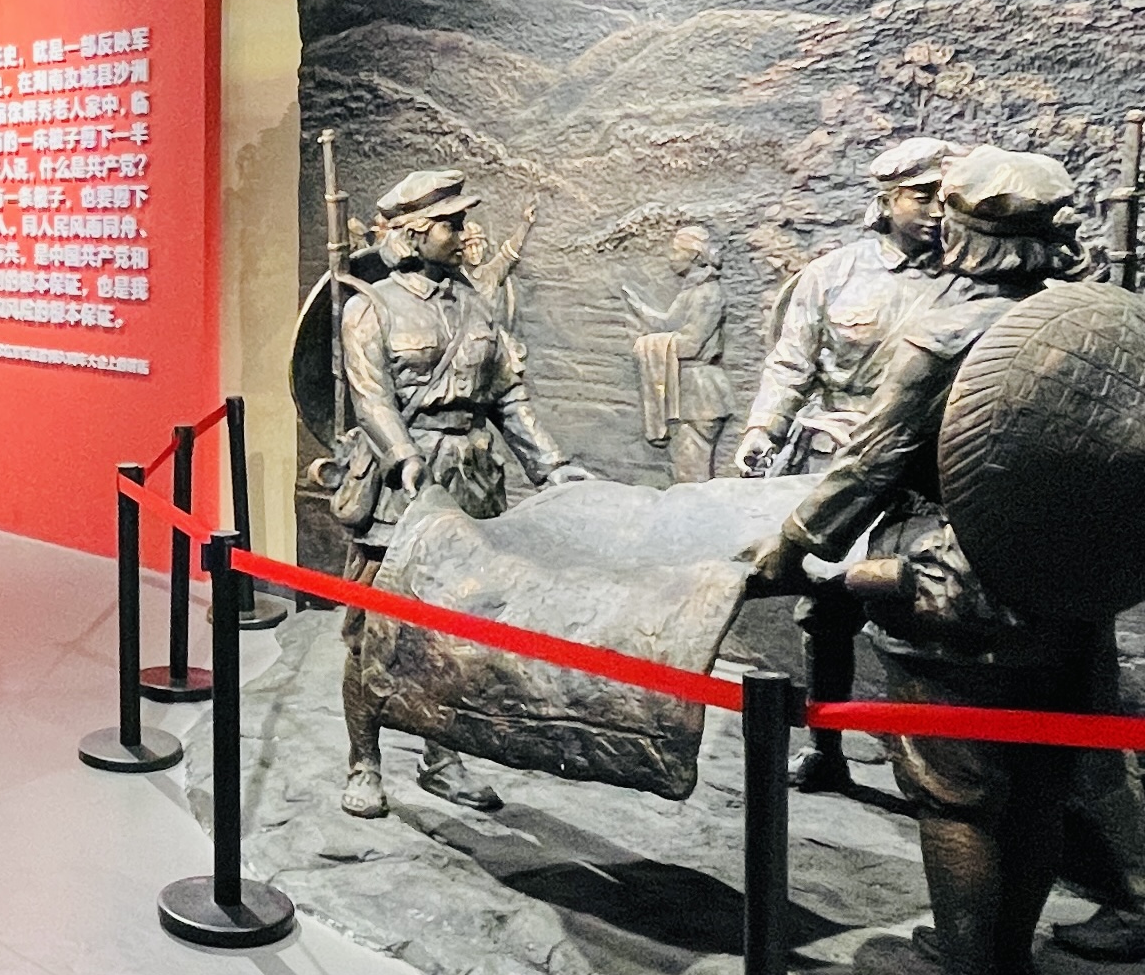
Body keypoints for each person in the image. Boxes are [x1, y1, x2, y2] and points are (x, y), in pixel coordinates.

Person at [749, 149, 1145, 975]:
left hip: (955, 593)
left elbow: (871, 463)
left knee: (957, 798)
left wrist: (789, 549)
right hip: (1069, 590)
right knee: (1038, 790)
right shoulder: (1098, 320)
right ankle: (1008, 965)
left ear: (967, 233)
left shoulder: (945, 335)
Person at [332, 168, 592, 817]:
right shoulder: (370, 308)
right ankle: (364, 762)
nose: (463, 233)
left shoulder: (477, 304)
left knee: (454, 632)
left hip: (471, 482)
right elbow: (372, 400)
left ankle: (441, 758)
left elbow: (509, 397)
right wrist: (404, 459)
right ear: (415, 234)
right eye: (451, 224)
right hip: (398, 492)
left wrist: (552, 467)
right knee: (371, 636)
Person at [735, 137, 954, 477]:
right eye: (922, 199)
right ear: (886, 203)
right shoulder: (830, 274)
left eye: (945, 200)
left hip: (931, 453)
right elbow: (791, 364)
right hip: (837, 446)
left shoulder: (969, 279)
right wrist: (763, 429)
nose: (937, 212)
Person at [621, 223, 738, 484]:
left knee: (691, 477)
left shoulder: (707, 293)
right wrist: (638, 308)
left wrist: (647, 345)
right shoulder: (692, 290)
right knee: (685, 472)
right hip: (687, 392)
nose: (670, 257)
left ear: (694, 255)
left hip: (700, 395)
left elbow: (691, 345)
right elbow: (668, 324)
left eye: (676, 251)